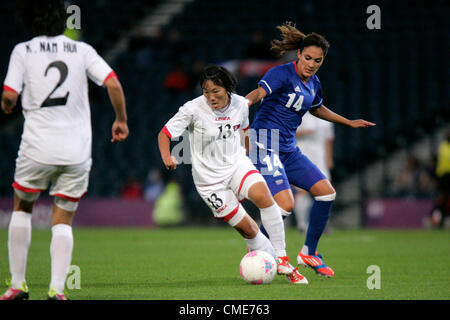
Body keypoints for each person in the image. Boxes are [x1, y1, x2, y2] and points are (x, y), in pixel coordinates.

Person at [0, 0, 129, 300]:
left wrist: (8, 105)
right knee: (63, 219)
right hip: (76, 151)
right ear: (64, 23)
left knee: (22, 208)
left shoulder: (23, 50)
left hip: (36, 149)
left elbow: (9, 95)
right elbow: (113, 84)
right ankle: (57, 290)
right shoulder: (82, 51)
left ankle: (17, 285)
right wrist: (120, 120)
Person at [245, 22, 375, 277]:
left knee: (326, 193)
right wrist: (243, 104)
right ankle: (257, 251)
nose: (312, 64)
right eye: (308, 58)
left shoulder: (314, 83)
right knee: (285, 203)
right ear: (298, 54)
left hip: (288, 147)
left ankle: (309, 253)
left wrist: (348, 121)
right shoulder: (280, 73)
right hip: (264, 140)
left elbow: (316, 108)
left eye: (318, 60)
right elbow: (259, 93)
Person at [158, 65, 307, 284]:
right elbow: (165, 133)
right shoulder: (192, 109)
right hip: (210, 182)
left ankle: (283, 260)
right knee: (249, 230)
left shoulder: (241, 105)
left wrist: (247, 152)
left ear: (228, 89)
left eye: (216, 91)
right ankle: (271, 261)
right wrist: (167, 156)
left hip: (236, 164)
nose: (210, 97)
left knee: (265, 197)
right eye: (206, 92)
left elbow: (244, 130)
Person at [294, 111, 334, 233]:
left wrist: (329, 159)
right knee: (302, 191)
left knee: (325, 192)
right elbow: (287, 134)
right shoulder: (298, 116)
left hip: (319, 156)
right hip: (302, 153)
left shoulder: (325, 119)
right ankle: (302, 225)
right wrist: (303, 133)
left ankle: (321, 225)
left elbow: (328, 140)